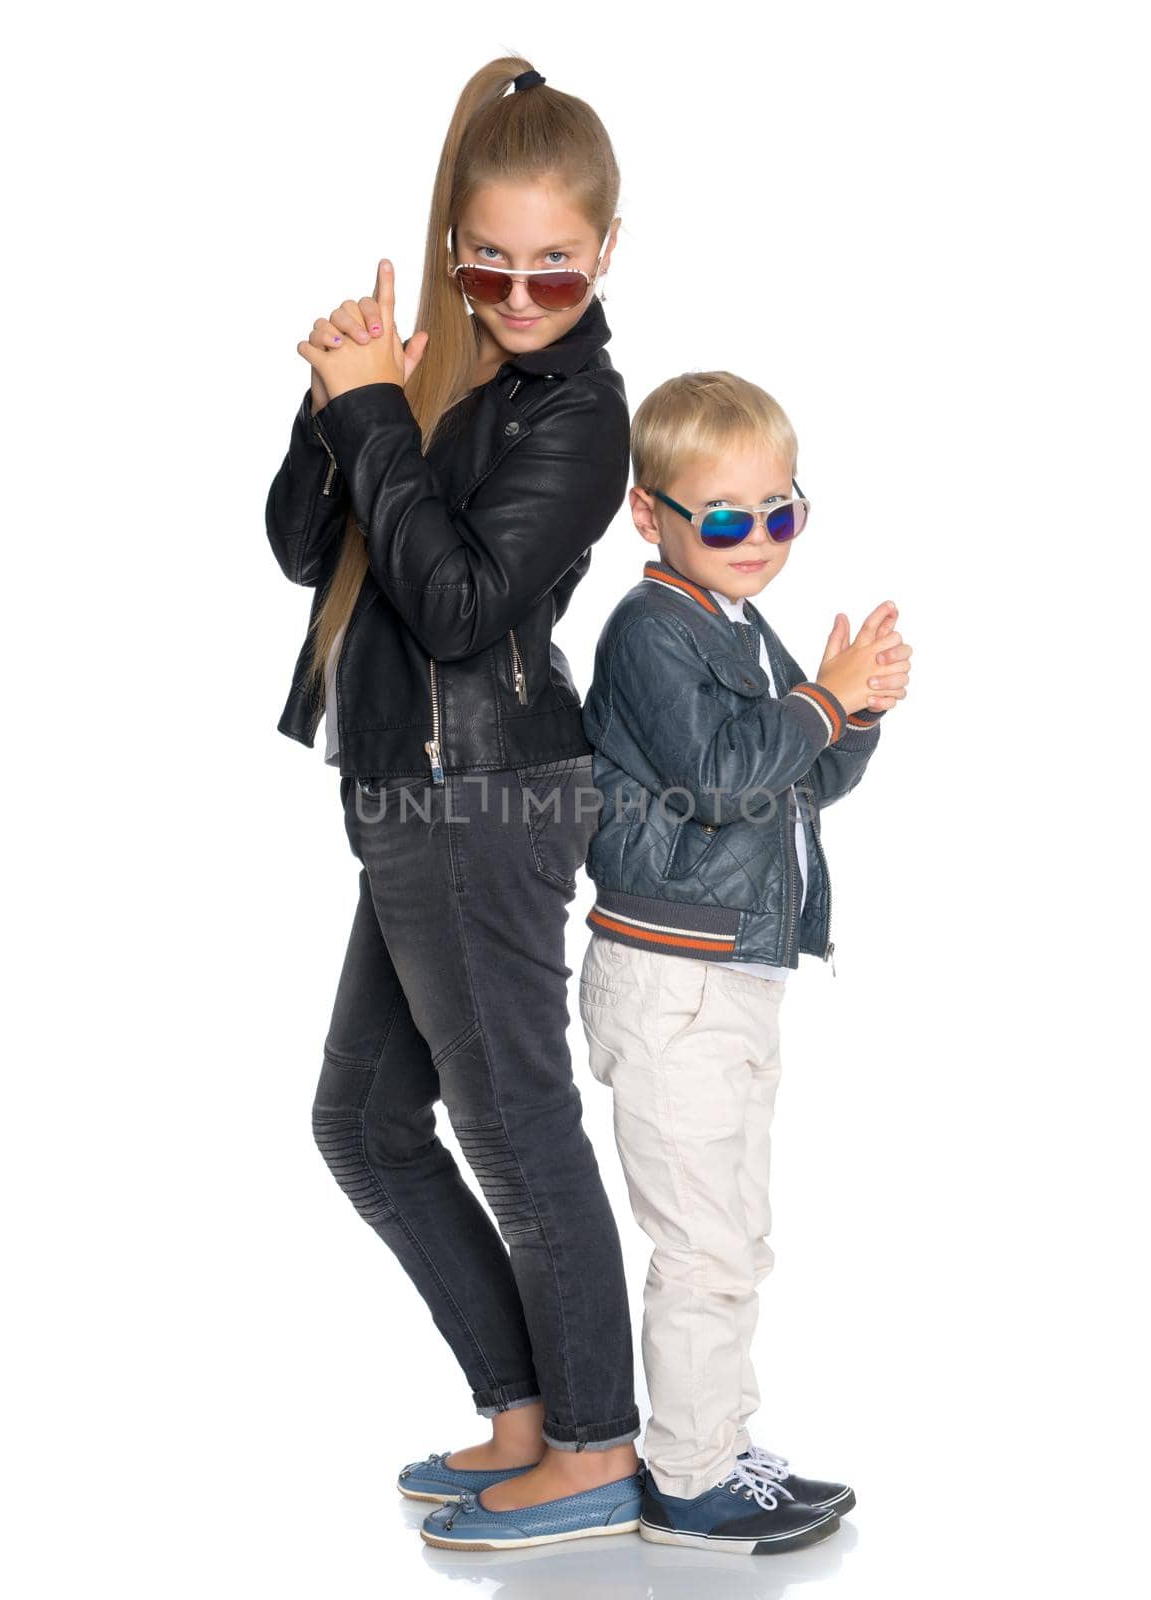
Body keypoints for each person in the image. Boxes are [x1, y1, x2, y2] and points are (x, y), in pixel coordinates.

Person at [264, 58, 645, 1551]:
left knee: (516, 1124)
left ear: (607, 249)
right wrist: (337, 402)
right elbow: (309, 547)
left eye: (558, 261)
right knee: (363, 1121)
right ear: (452, 246)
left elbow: (460, 607)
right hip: (408, 795)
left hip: (485, 795)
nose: (524, 288)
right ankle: (527, 1414)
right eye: (492, 258)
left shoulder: (582, 412)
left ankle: (600, 1444)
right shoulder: (444, 374)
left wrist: (379, 422)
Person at [577, 370, 913, 1554]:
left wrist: (851, 713)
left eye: (780, 511)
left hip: (732, 972)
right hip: (670, 978)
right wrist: (816, 703)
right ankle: (688, 1478)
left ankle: (712, 1439)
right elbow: (721, 779)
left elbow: (798, 780)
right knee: (702, 1240)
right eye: (725, 518)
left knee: (734, 1231)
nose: (757, 540)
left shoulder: (731, 621)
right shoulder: (648, 630)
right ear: (648, 513)